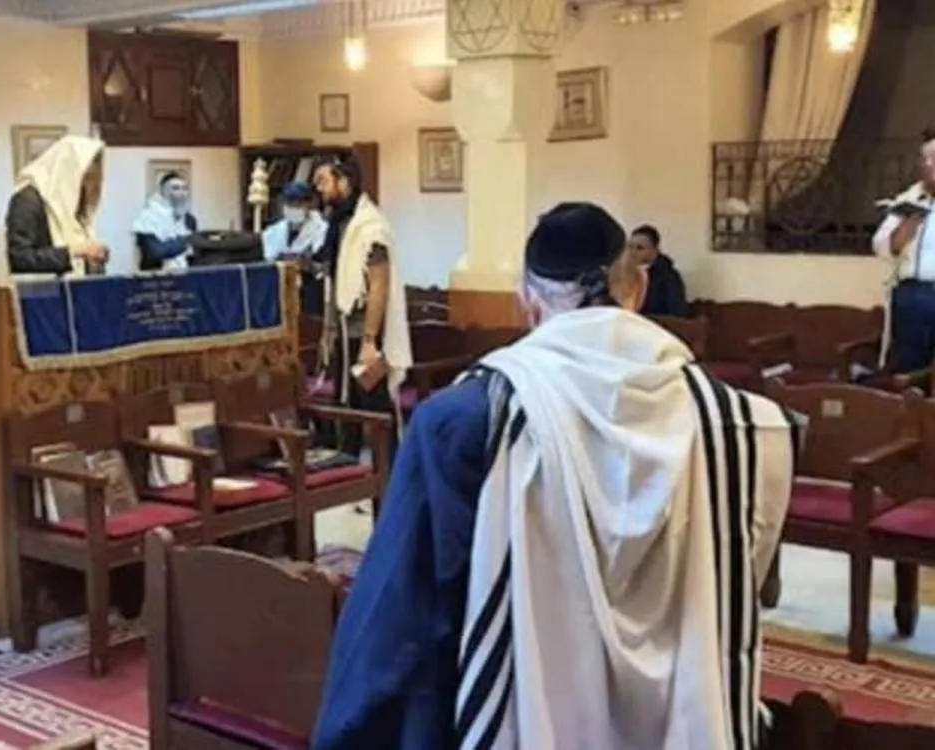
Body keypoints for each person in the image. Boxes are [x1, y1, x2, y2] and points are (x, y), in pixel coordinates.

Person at [312, 203, 800, 750]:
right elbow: (749, 584)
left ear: (527, 300)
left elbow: (398, 626)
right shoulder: (747, 427)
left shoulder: (463, 422)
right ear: (638, 288)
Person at [312, 156, 411, 460]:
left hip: (367, 333)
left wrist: (369, 340)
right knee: (348, 409)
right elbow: (334, 280)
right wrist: (328, 329)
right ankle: (351, 473)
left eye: (324, 181)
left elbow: (379, 283)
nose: (319, 189)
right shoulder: (339, 223)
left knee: (377, 410)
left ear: (344, 182)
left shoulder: (371, 226)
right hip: (344, 331)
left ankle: (390, 476)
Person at [0, 135, 109, 280]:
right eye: (86, 178)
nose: (88, 187)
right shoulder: (27, 201)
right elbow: (20, 259)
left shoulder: (71, 204)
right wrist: (72, 252)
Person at [872, 126, 935, 373]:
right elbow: (880, 245)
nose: (927, 164)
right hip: (912, 296)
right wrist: (907, 227)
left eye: (934, 158)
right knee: (910, 367)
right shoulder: (908, 199)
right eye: (923, 158)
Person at [261, 180, 327, 316]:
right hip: (279, 289)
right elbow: (267, 258)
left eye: (299, 204)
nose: (294, 208)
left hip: (310, 291)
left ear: (309, 204)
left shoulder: (322, 229)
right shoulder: (273, 231)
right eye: (290, 204)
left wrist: (306, 263)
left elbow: (322, 265)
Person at [133, 171, 197, 272]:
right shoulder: (147, 218)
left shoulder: (189, 219)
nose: (182, 193)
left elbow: (193, 251)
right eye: (175, 188)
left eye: (185, 189)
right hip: (155, 276)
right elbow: (155, 252)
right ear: (163, 192)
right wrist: (186, 241)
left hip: (184, 275)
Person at [629, 223, 689, 317]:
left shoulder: (669, 277)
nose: (633, 253)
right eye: (630, 247)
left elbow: (676, 314)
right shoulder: (625, 273)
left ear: (654, 250)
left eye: (639, 248)